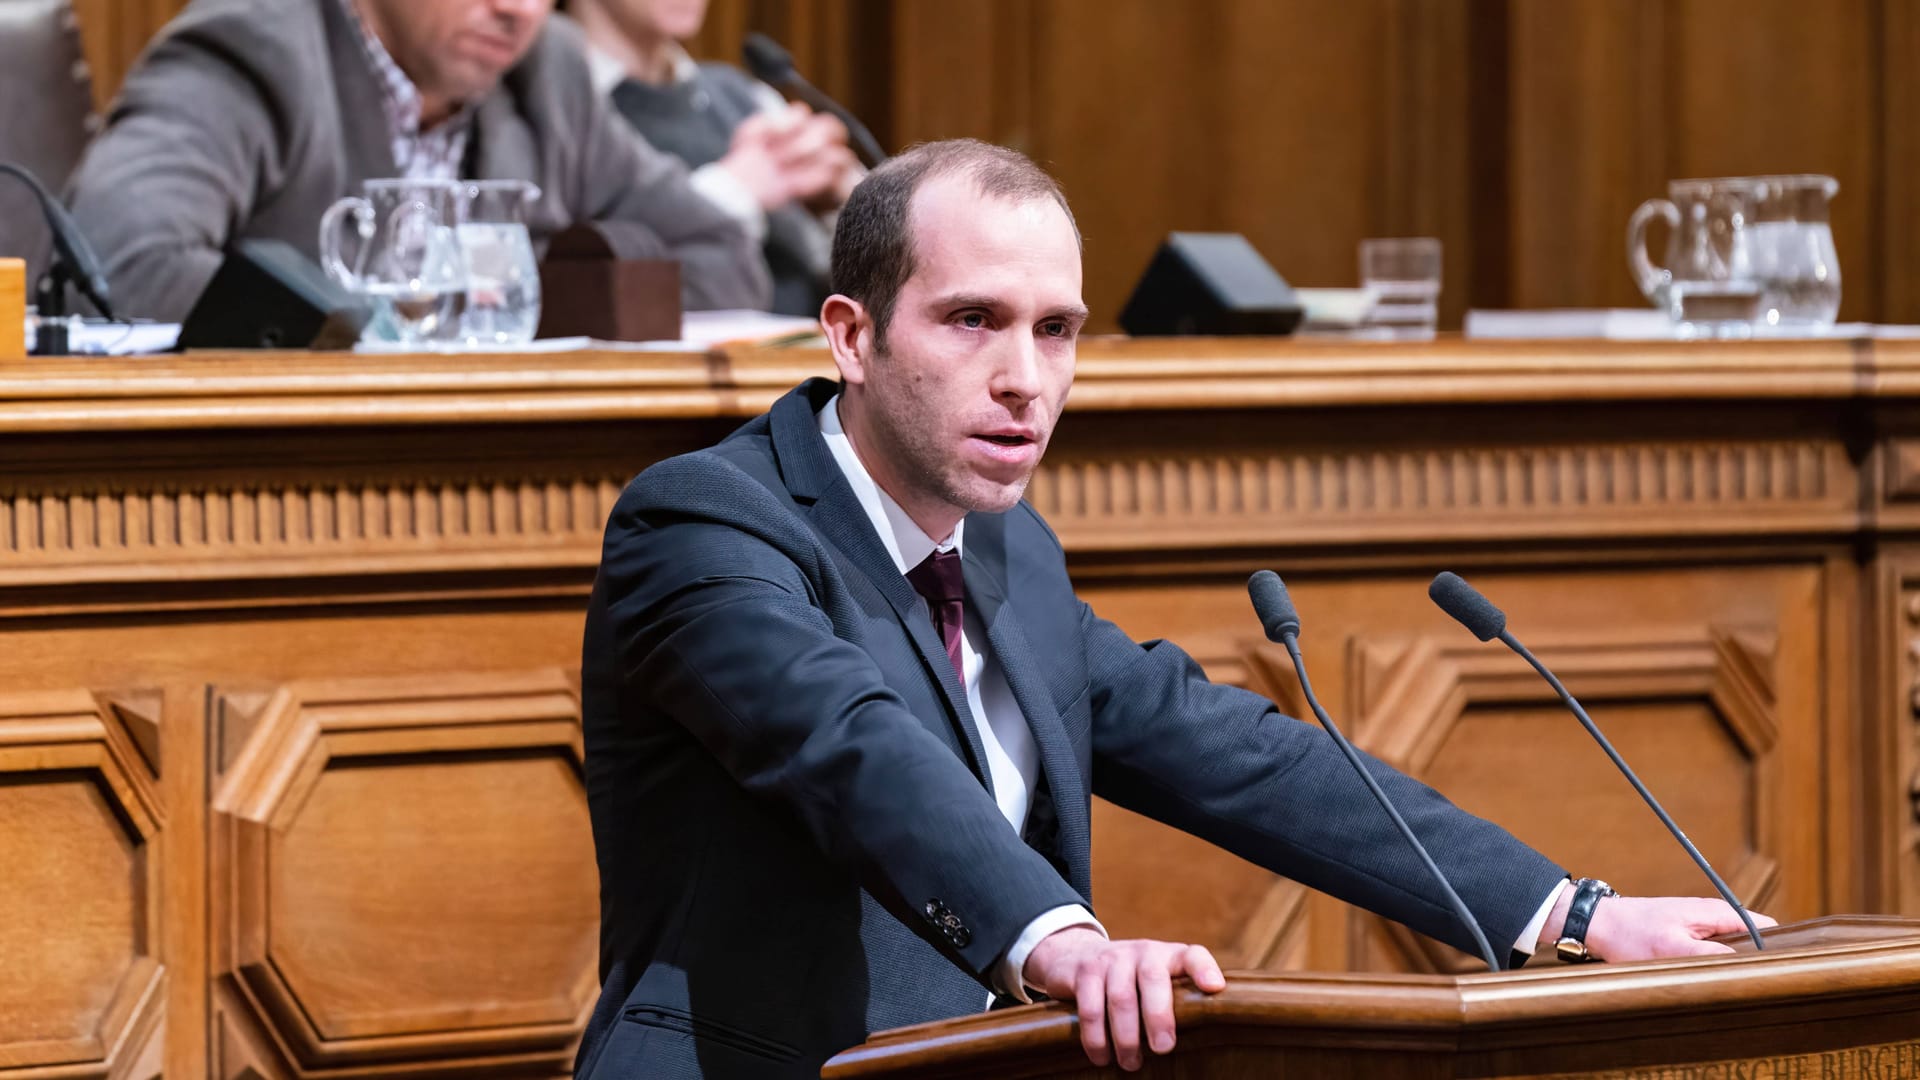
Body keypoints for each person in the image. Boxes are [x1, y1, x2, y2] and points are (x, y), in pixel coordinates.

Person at [576, 138, 1772, 1079]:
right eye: (973, 320)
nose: (1025, 380)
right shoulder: (704, 526)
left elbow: (1230, 754)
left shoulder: (1007, 552)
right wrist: (1065, 943)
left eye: (1057, 332)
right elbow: (846, 744)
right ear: (853, 334)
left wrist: (1568, 914)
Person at [64, 0, 770, 322]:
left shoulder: (545, 72)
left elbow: (721, 255)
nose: (517, 10)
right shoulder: (256, 49)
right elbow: (119, 267)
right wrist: (427, 315)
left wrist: (515, 307)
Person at [564, 0, 860, 316]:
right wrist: (736, 189)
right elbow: (585, 274)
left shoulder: (743, 94)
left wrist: (846, 206)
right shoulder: (554, 109)